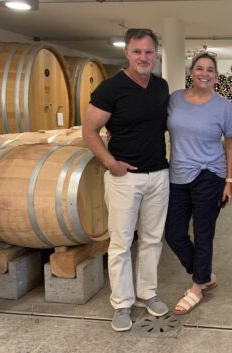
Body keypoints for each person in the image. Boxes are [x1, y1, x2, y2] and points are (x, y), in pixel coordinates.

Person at [82, 28, 170, 332]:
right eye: (137, 51)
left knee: (152, 239)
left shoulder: (161, 86)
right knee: (120, 242)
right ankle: (121, 303)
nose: (143, 57)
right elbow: (89, 131)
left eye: (148, 52)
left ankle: (148, 293)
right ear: (127, 53)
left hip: (159, 174)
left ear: (156, 53)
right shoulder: (110, 89)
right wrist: (110, 163)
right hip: (125, 178)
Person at [165, 52, 232, 315]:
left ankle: (197, 287)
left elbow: (230, 144)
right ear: (191, 71)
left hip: (210, 174)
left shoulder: (224, 107)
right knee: (173, 234)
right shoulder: (174, 99)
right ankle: (203, 273)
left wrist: (229, 181)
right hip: (177, 174)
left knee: (204, 233)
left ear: (215, 76)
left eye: (210, 70)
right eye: (199, 68)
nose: (204, 73)